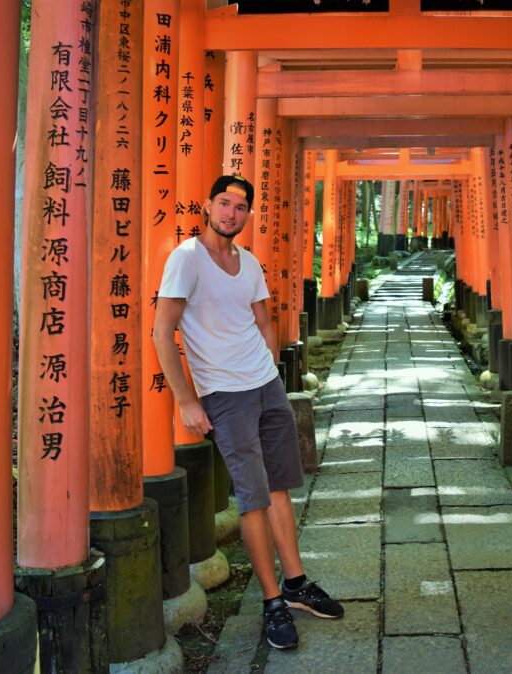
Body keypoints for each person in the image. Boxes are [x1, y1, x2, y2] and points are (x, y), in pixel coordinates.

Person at [153, 175, 343, 650]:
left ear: (247, 214)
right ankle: (272, 601)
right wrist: (187, 400)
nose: (230, 213)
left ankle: (296, 584)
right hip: (224, 393)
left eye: (240, 206)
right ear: (207, 205)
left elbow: (262, 321)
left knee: (279, 487)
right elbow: (162, 332)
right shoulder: (187, 258)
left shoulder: (249, 261)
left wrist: (271, 368)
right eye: (224, 203)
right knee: (253, 496)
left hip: (265, 386)